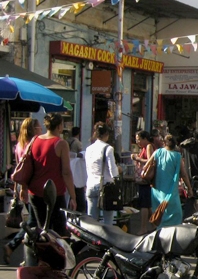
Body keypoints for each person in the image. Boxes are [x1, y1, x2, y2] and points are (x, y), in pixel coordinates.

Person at [23, 113, 76, 242]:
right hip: (54, 193)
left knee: (41, 229)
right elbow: (66, 172)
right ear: (59, 126)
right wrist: (73, 196)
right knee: (59, 232)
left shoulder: (35, 140)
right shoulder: (61, 144)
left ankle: (40, 258)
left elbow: (27, 166)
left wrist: (23, 188)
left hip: (35, 192)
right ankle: (55, 260)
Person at [4, 118, 42, 264]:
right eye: (38, 127)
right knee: (33, 221)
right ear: (33, 129)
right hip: (28, 185)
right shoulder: (31, 145)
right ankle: (14, 247)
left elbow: (17, 169)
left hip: (21, 184)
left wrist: (16, 188)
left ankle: (28, 255)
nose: (41, 129)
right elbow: (28, 169)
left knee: (33, 220)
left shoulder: (19, 145)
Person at [148, 134, 193, 227]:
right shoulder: (177, 156)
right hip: (171, 192)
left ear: (164, 143)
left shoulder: (157, 152)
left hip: (157, 191)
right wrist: (189, 188)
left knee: (158, 214)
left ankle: (159, 234)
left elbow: (147, 165)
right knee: (176, 214)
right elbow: (184, 174)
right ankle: (172, 235)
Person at [85, 122, 120, 226]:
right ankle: (106, 240)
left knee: (92, 222)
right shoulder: (108, 148)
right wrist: (118, 170)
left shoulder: (89, 149)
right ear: (106, 134)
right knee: (108, 222)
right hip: (105, 187)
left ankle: (92, 241)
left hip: (91, 185)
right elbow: (113, 171)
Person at [131, 131, 155, 234]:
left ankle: (143, 227)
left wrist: (137, 158)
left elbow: (150, 161)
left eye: (139, 139)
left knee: (144, 205)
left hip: (146, 180)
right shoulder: (143, 148)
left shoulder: (149, 146)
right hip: (143, 180)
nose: (137, 141)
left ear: (145, 138)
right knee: (147, 205)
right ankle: (154, 225)